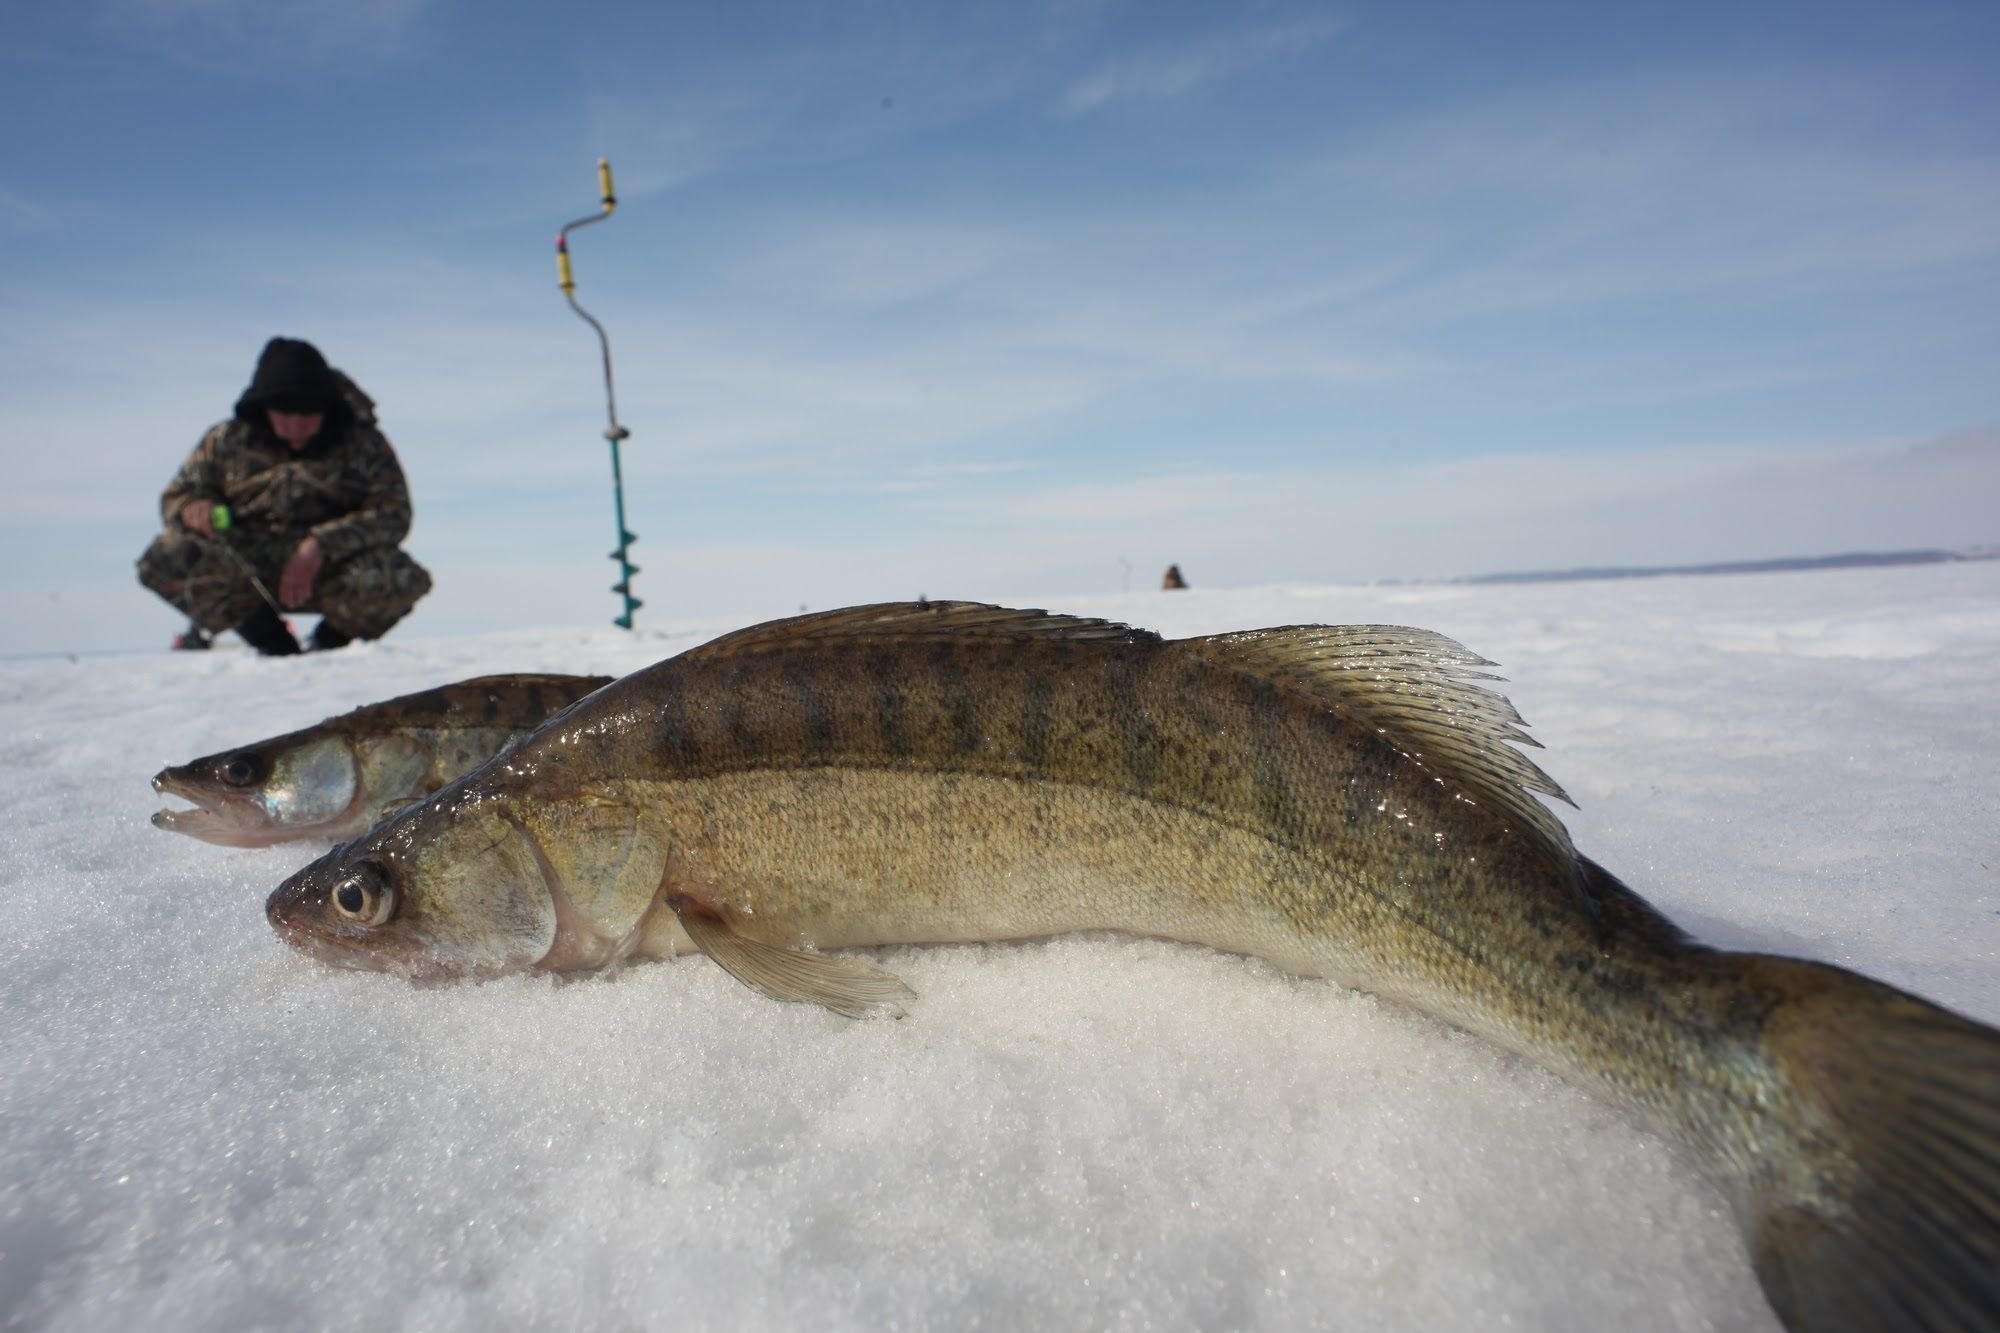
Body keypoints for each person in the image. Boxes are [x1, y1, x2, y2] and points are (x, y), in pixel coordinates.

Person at [137, 337, 432, 654]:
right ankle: (272, 644)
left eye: (307, 415)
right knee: (166, 555)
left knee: (401, 576)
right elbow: (178, 495)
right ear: (263, 407)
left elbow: (394, 514)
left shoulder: (364, 444)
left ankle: (330, 645)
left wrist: (322, 544)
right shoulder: (226, 440)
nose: (296, 427)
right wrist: (192, 506)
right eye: (284, 415)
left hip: (330, 570)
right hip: (243, 571)